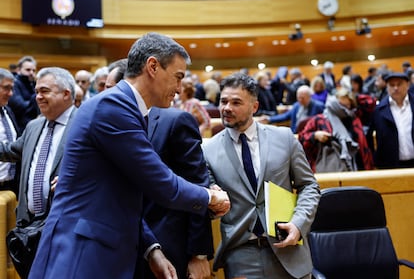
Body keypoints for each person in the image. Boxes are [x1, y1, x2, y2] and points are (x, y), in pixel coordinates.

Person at [29, 32, 230, 279]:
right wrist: (210, 196)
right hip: (81, 255)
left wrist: (151, 250)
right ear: (153, 66)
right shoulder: (113, 106)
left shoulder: (130, 109)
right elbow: (160, 182)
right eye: (177, 77)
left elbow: (124, 193)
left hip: (101, 252)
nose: (179, 88)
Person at [202, 72, 320, 279]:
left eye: (236, 102)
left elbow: (308, 186)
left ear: (254, 107)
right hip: (241, 254)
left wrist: (298, 224)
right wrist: (212, 200)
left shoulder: (285, 138)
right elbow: (208, 203)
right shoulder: (207, 150)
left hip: (288, 248)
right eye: (223, 101)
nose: (227, 108)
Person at [0, 67, 77, 278]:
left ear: (66, 94)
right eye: (36, 92)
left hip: (65, 227)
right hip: (28, 227)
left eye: (44, 91)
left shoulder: (84, 125)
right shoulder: (34, 125)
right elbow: (9, 152)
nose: (38, 97)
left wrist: (77, 180)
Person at [138, 106, 214, 279]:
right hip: (121, 245)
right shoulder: (113, 123)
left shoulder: (176, 120)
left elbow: (197, 184)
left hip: (168, 244)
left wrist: (199, 254)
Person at [299, 88, 374, 172]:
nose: (345, 108)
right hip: (328, 169)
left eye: (348, 105)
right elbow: (301, 139)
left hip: (357, 167)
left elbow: (371, 102)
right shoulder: (319, 120)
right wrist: (315, 135)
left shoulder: (354, 118)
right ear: (334, 103)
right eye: (341, 105)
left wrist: (352, 95)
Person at [370, 72, 414, 169]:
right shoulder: (379, 110)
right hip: (392, 165)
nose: (395, 88)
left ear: (407, 85)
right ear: (387, 87)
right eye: (392, 85)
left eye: (399, 84)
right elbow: (371, 138)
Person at [260, 85, 325, 133]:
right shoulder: (296, 105)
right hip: (295, 134)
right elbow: (285, 116)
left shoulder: (319, 106)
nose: (300, 100)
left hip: (310, 136)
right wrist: (269, 119)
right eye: (298, 98)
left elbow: (323, 124)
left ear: (309, 96)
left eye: (302, 98)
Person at [0, 68, 20, 195]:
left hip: (9, 186)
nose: (11, 93)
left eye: (12, 89)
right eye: (6, 88)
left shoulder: (8, 111)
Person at [8, 55, 40, 133]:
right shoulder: (14, 83)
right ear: (18, 70)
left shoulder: (34, 84)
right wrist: (35, 98)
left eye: (34, 70)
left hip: (32, 126)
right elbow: (20, 106)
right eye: (28, 70)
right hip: (19, 128)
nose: (31, 73)